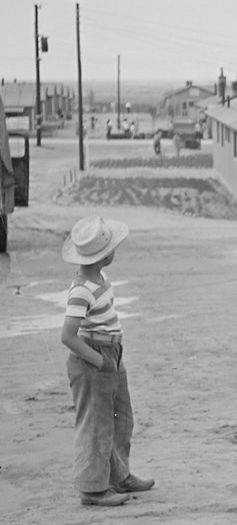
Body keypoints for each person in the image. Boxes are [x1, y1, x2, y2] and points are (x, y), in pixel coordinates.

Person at [60, 216, 155, 507]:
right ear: (104, 255)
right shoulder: (82, 290)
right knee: (96, 424)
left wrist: (110, 360)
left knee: (121, 419)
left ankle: (118, 475)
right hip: (93, 358)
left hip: (112, 354)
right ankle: (93, 488)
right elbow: (68, 335)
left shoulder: (101, 280)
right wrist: (100, 362)